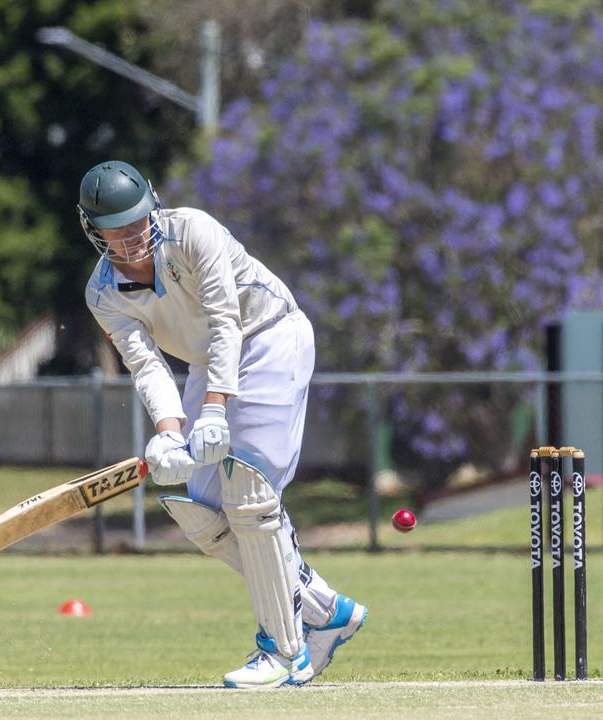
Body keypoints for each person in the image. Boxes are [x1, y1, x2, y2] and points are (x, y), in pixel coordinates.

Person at [78, 160, 367, 688]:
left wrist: (212, 410)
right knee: (203, 511)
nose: (132, 237)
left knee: (248, 493)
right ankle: (325, 612)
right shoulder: (103, 295)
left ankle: (286, 652)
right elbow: (147, 366)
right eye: (115, 230)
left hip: (270, 336)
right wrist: (168, 430)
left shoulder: (195, 231)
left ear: (153, 207)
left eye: (138, 221)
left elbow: (225, 321)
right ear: (93, 231)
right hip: (205, 364)